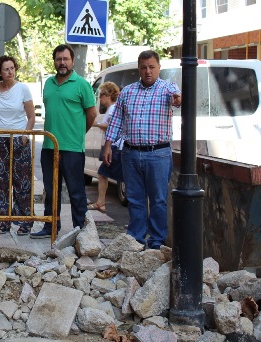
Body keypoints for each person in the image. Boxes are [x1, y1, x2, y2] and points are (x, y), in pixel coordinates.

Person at [102, 50, 182, 249]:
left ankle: (156, 242)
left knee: (158, 200)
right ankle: (136, 239)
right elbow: (117, 121)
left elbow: (177, 98)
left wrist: (178, 99)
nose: (148, 71)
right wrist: (108, 144)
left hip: (158, 154)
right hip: (131, 153)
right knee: (135, 199)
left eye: (152, 67)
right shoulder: (127, 92)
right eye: (144, 67)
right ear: (139, 68)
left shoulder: (167, 89)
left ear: (158, 68)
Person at [30, 44, 98, 239]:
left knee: (76, 192)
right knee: (51, 191)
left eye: (65, 59)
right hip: (50, 146)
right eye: (59, 59)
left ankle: (80, 230)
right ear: (54, 61)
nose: (62, 63)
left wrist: (78, 133)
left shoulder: (82, 84)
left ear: (72, 61)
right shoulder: (49, 83)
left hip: (73, 149)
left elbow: (92, 114)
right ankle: (50, 226)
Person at [0, 55, 35, 236]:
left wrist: (25, 136)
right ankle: (4, 221)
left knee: (22, 182)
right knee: (0, 182)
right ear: (0, 72)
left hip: (18, 139)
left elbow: (31, 116)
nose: (10, 71)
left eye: (12, 68)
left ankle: (25, 221)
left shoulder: (22, 89)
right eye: (6, 69)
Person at [87, 81, 122, 213]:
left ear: (109, 95)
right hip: (111, 146)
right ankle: (101, 202)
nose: (100, 98)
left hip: (113, 147)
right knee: (103, 174)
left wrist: (96, 124)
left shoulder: (113, 109)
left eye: (102, 94)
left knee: (103, 173)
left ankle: (101, 202)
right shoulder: (111, 108)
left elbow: (113, 126)